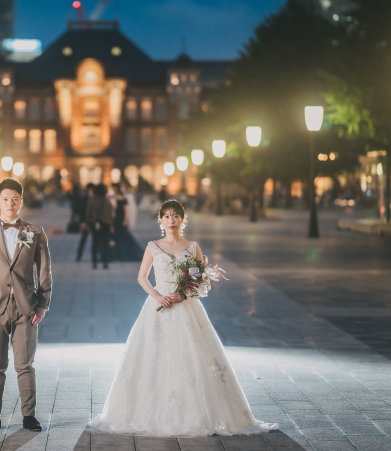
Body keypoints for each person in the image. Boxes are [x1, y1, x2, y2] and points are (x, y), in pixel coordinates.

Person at [89, 199, 277, 437]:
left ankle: (200, 413)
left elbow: (201, 280)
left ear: (182, 219)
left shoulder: (192, 247)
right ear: (161, 220)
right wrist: (157, 296)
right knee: (152, 358)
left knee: (193, 357)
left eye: (175, 216)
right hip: (158, 306)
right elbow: (142, 277)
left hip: (186, 307)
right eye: (166, 216)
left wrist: (184, 292)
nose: (171, 221)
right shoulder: (152, 246)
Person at [0, 178, 53, 433]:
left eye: (15, 199)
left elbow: (45, 270)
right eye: (5, 199)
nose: (10, 203)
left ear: (21, 202)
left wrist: (43, 303)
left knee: (25, 364)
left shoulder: (33, 231)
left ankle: (29, 415)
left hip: (26, 307)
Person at [85, 183, 113, 269]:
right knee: (105, 243)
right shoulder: (107, 201)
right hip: (105, 223)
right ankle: (105, 262)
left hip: (94, 223)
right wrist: (111, 225)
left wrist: (88, 223)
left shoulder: (91, 200)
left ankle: (94, 262)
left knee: (95, 243)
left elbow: (88, 212)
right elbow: (110, 214)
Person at [111, 184, 141, 261]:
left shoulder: (122, 198)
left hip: (120, 218)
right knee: (118, 237)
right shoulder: (112, 197)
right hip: (115, 219)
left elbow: (125, 210)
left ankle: (127, 253)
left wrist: (125, 220)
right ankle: (119, 253)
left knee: (124, 236)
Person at [75, 183, 95, 261]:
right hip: (86, 222)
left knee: (95, 240)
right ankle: (79, 256)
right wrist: (82, 222)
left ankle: (94, 256)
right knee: (84, 239)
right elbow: (81, 211)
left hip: (93, 222)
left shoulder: (95, 198)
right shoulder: (84, 198)